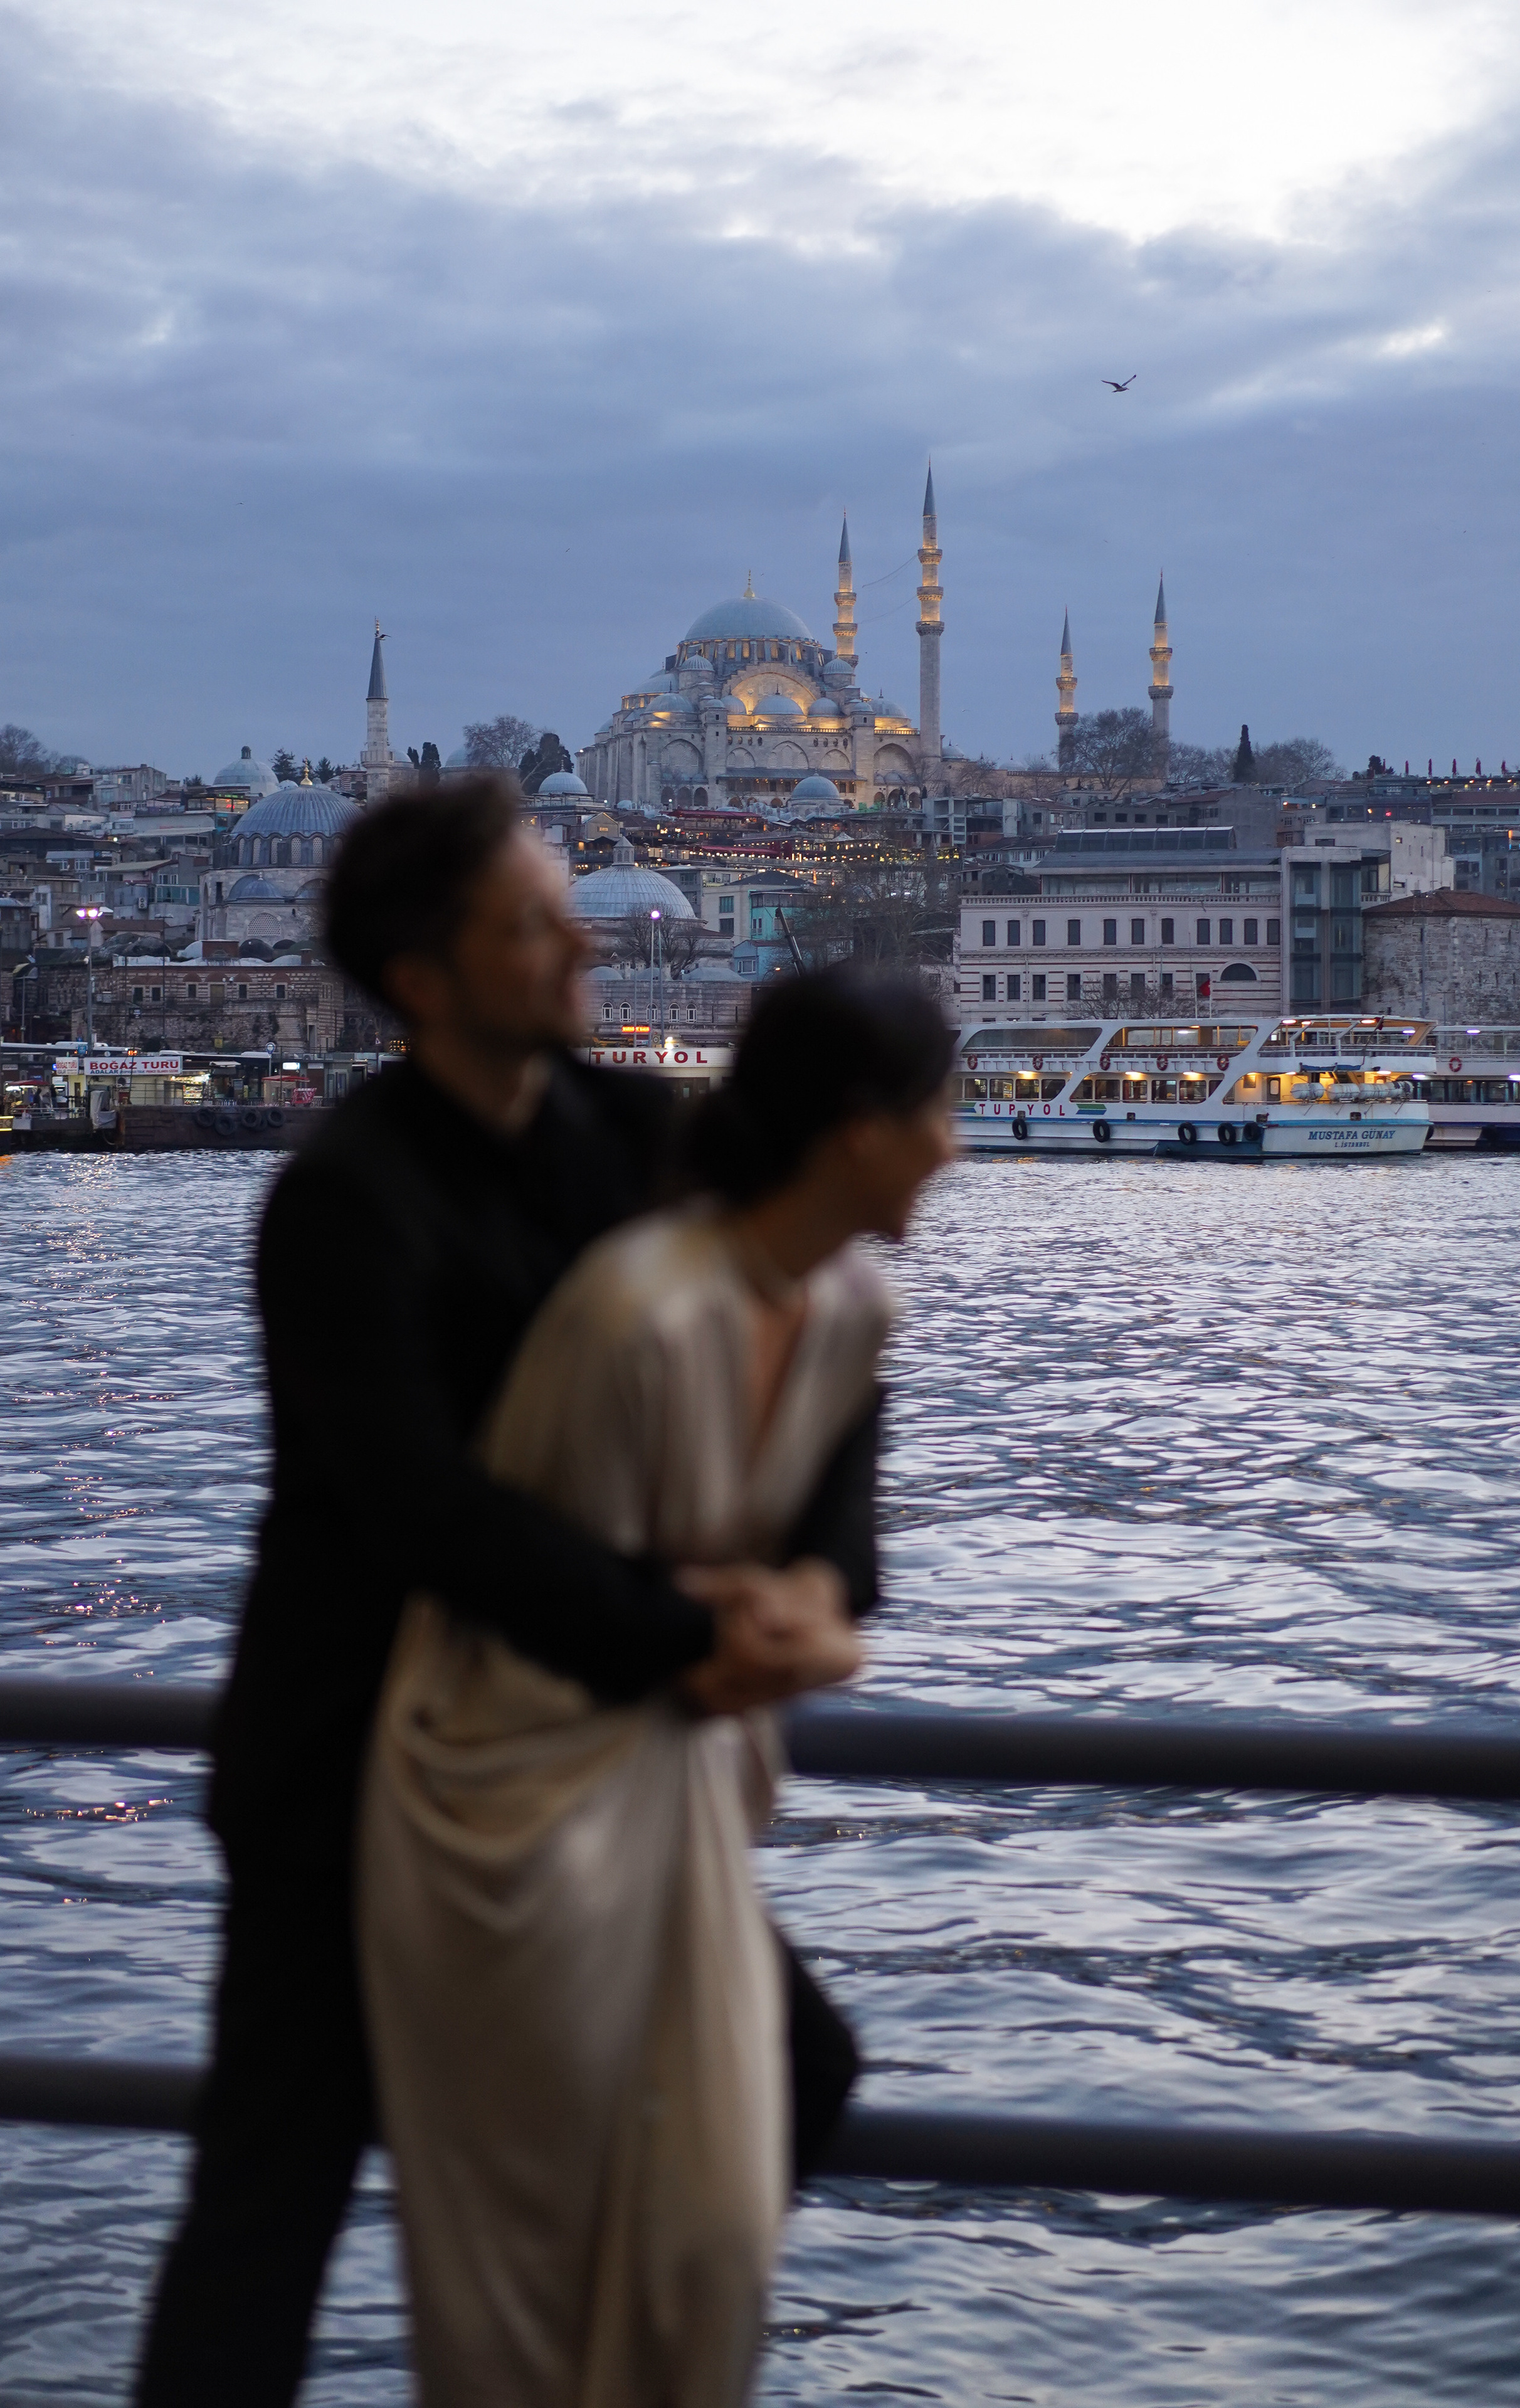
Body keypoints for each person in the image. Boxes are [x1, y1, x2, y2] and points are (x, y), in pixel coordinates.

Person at [136, 781, 877, 2408]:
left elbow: (822, 1298)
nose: (582, 938)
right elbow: (428, 1513)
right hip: (347, 1777)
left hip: (577, 1757)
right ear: (425, 977)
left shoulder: (637, 1137)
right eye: (535, 920)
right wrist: (695, 1636)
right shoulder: (344, 1202)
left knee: (794, 2070)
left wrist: (822, 1568)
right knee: (272, 2206)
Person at [359, 968, 955, 2408]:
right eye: (934, 1111)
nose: (954, 1143)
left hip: (666, 1784)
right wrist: (735, 1640)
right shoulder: (640, 1317)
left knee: (702, 2216)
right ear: (854, 1132)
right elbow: (546, 1589)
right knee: (546, 2244)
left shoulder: (846, 1310)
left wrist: (785, 1615)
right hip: (517, 1806)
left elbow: (834, 1558)